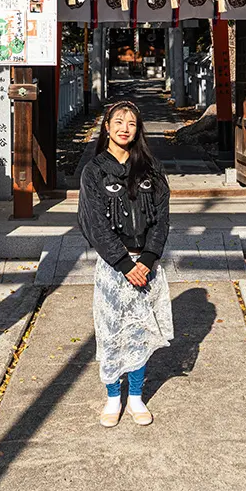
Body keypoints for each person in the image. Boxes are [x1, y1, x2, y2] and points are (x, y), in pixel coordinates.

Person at [78, 100, 174, 427]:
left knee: (139, 332)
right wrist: (123, 262)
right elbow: (94, 223)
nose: (124, 128)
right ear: (106, 127)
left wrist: (147, 259)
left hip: (145, 265)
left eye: (131, 123)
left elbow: (162, 218)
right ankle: (112, 397)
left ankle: (135, 396)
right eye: (118, 122)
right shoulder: (94, 172)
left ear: (138, 129)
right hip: (113, 266)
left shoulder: (151, 168)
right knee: (110, 332)